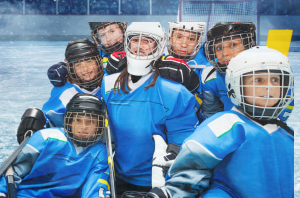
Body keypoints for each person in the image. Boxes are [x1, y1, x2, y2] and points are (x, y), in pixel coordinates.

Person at [146, 46, 294, 198]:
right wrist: (171, 193)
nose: (269, 87)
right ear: (236, 84)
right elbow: (193, 164)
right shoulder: (227, 124)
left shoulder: (287, 134)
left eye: (275, 80)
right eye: (258, 80)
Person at [101, 22, 199, 197]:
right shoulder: (108, 84)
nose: (139, 46)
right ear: (127, 44)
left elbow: (183, 142)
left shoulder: (174, 92)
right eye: (134, 40)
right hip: (117, 175)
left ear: (159, 46)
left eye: (147, 41)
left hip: (157, 181)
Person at [0, 93, 111, 198]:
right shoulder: (45, 138)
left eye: (90, 122)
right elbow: (13, 172)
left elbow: (95, 188)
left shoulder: (99, 152)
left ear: (99, 126)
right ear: (70, 122)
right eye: (78, 120)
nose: (83, 127)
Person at [17, 38, 104, 144]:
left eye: (89, 61)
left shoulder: (110, 83)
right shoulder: (65, 92)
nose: (85, 69)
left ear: (99, 61)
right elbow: (49, 118)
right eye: (78, 65)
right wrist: (35, 122)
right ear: (70, 68)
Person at [199, 22, 256, 120]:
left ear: (247, 45)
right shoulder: (210, 76)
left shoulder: (269, 71)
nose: (225, 53)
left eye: (233, 45)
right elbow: (211, 113)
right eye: (219, 48)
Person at [47, 22, 127, 87]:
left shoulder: (136, 47)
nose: (108, 39)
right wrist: (63, 69)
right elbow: (79, 61)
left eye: (112, 31)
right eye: (102, 35)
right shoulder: (99, 53)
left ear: (123, 29)